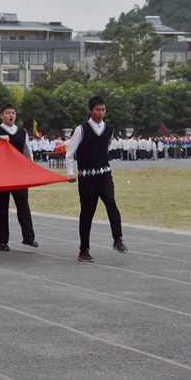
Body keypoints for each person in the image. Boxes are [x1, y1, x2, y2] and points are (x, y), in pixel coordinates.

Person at [65, 96, 127, 262]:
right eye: (98, 110)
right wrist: (70, 172)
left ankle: (118, 239)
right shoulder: (82, 129)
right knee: (87, 213)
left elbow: (105, 148)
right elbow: (70, 153)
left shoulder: (109, 130)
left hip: (104, 174)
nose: (101, 113)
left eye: (103, 110)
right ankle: (84, 250)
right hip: (87, 178)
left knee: (111, 202)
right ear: (90, 111)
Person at [0, 104, 37, 251]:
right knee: (1, 207)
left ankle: (29, 238)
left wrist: (32, 170)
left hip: (19, 175)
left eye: (13, 113)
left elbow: (27, 153)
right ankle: (2, 241)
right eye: (8, 113)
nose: (11, 115)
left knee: (23, 205)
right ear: (1, 116)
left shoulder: (22, 132)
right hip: (1, 175)